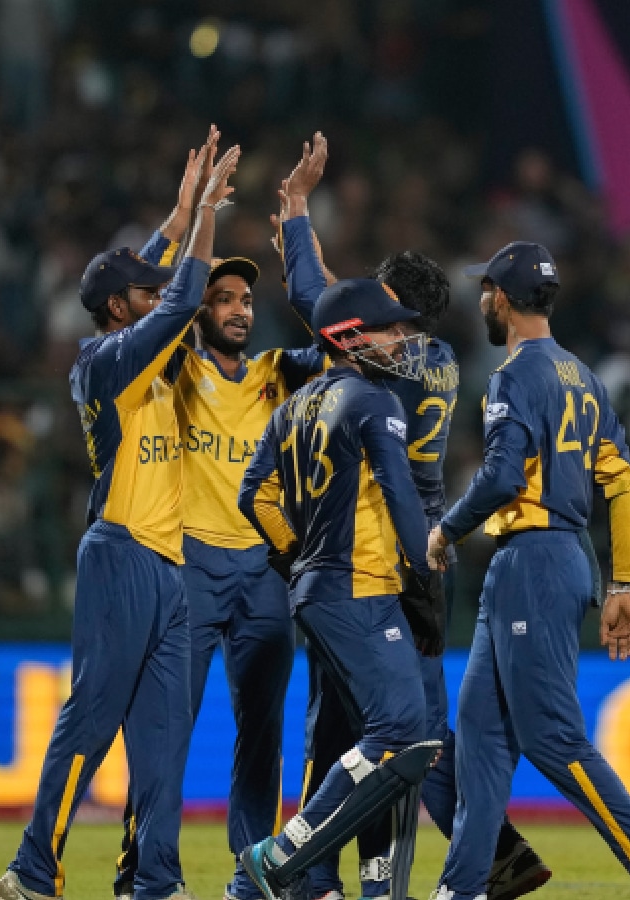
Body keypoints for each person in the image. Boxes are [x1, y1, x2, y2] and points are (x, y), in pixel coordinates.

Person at [275, 154, 549, 900]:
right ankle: (487, 850)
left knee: (365, 727)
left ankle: (322, 874)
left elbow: (316, 298)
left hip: (377, 552)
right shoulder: (443, 359)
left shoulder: (383, 361)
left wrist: (297, 212)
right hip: (427, 549)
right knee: (405, 724)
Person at [423, 241, 630, 900]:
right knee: (480, 734)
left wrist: (445, 531)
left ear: (501, 299)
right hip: (556, 559)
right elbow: (624, 480)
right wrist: (624, 584)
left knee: (552, 737)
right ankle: (463, 886)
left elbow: (501, 476)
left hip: (533, 558)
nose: (480, 303)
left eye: (485, 293)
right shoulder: (583, 377)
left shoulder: (514, 376)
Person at [0, 133, 240, 900]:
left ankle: (154, 883)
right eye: (141, 290)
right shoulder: (108, 361)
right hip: (122, 553)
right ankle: (32, 871)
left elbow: (150, 273)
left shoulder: (134, 347)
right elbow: (183, 292)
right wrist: (211, 214)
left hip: (168, 566)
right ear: (117, 309)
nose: (154, 290)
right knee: (92, 717)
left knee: (164, 743)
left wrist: (183, 204)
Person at [114, 135, 336, 900]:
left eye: (246, 300)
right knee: (165, 731)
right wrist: (187, 214)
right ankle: (148, 872)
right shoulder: (172, 369)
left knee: (262, 737)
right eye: (224, 299)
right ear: (198, 308)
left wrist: (298, 225)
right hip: (188, 569)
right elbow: (136, 303)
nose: (240, 310)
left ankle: (256, 872)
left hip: (265, 573)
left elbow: (345, 336)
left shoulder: (278, 374)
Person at [236, 276, 448, 900]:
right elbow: (403, 495)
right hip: (360, 589)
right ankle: (281, 854)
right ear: (350, 336)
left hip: (319, 592)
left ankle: (376, 888)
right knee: (404, 731)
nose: (401, 339)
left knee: (371, 745)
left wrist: (295, 556)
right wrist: (426, 577)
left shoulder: (291, 407)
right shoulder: (374, 401)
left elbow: (255, 494)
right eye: (389, 328)